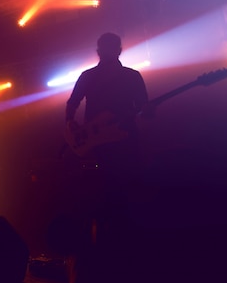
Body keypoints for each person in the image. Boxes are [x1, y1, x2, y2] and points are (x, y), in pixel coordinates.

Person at [63, 32, 151, 281]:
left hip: (118, 149)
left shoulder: (105, 76)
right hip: (105, 151)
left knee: (113, 204)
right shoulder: (123, 76)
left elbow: (144, 110)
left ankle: (108, 261)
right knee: (107, 203)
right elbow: (72, 106)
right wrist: (74, 129)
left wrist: (147, 112)